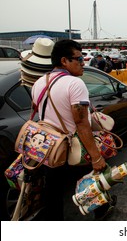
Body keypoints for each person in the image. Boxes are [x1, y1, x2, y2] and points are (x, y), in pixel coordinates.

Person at [31, 39, 107, 220]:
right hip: (72, 145)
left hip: (49, 146)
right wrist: (96, 156)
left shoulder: (39, 82)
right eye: (79, 59)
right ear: (64, 61)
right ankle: (102, 211)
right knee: (92, 179)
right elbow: (81, 123)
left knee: (54, 191)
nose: (83, 63)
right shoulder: (75, 84)